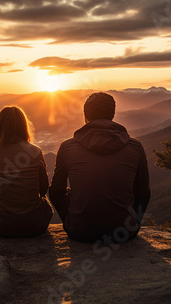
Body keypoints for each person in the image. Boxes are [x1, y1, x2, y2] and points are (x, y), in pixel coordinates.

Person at [49, 92, 150, 243]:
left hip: (79, 232)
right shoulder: (135, 147)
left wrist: (69, 219)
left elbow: (56, 192)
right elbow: (142, 193)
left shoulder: (67, 147)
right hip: (124, 233)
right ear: (112, 115)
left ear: (85, 117)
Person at [0, 106, 53, 237]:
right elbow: (43, 190)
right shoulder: (35, 151)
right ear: (23, 126)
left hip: (1, 226)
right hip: (35, 225)